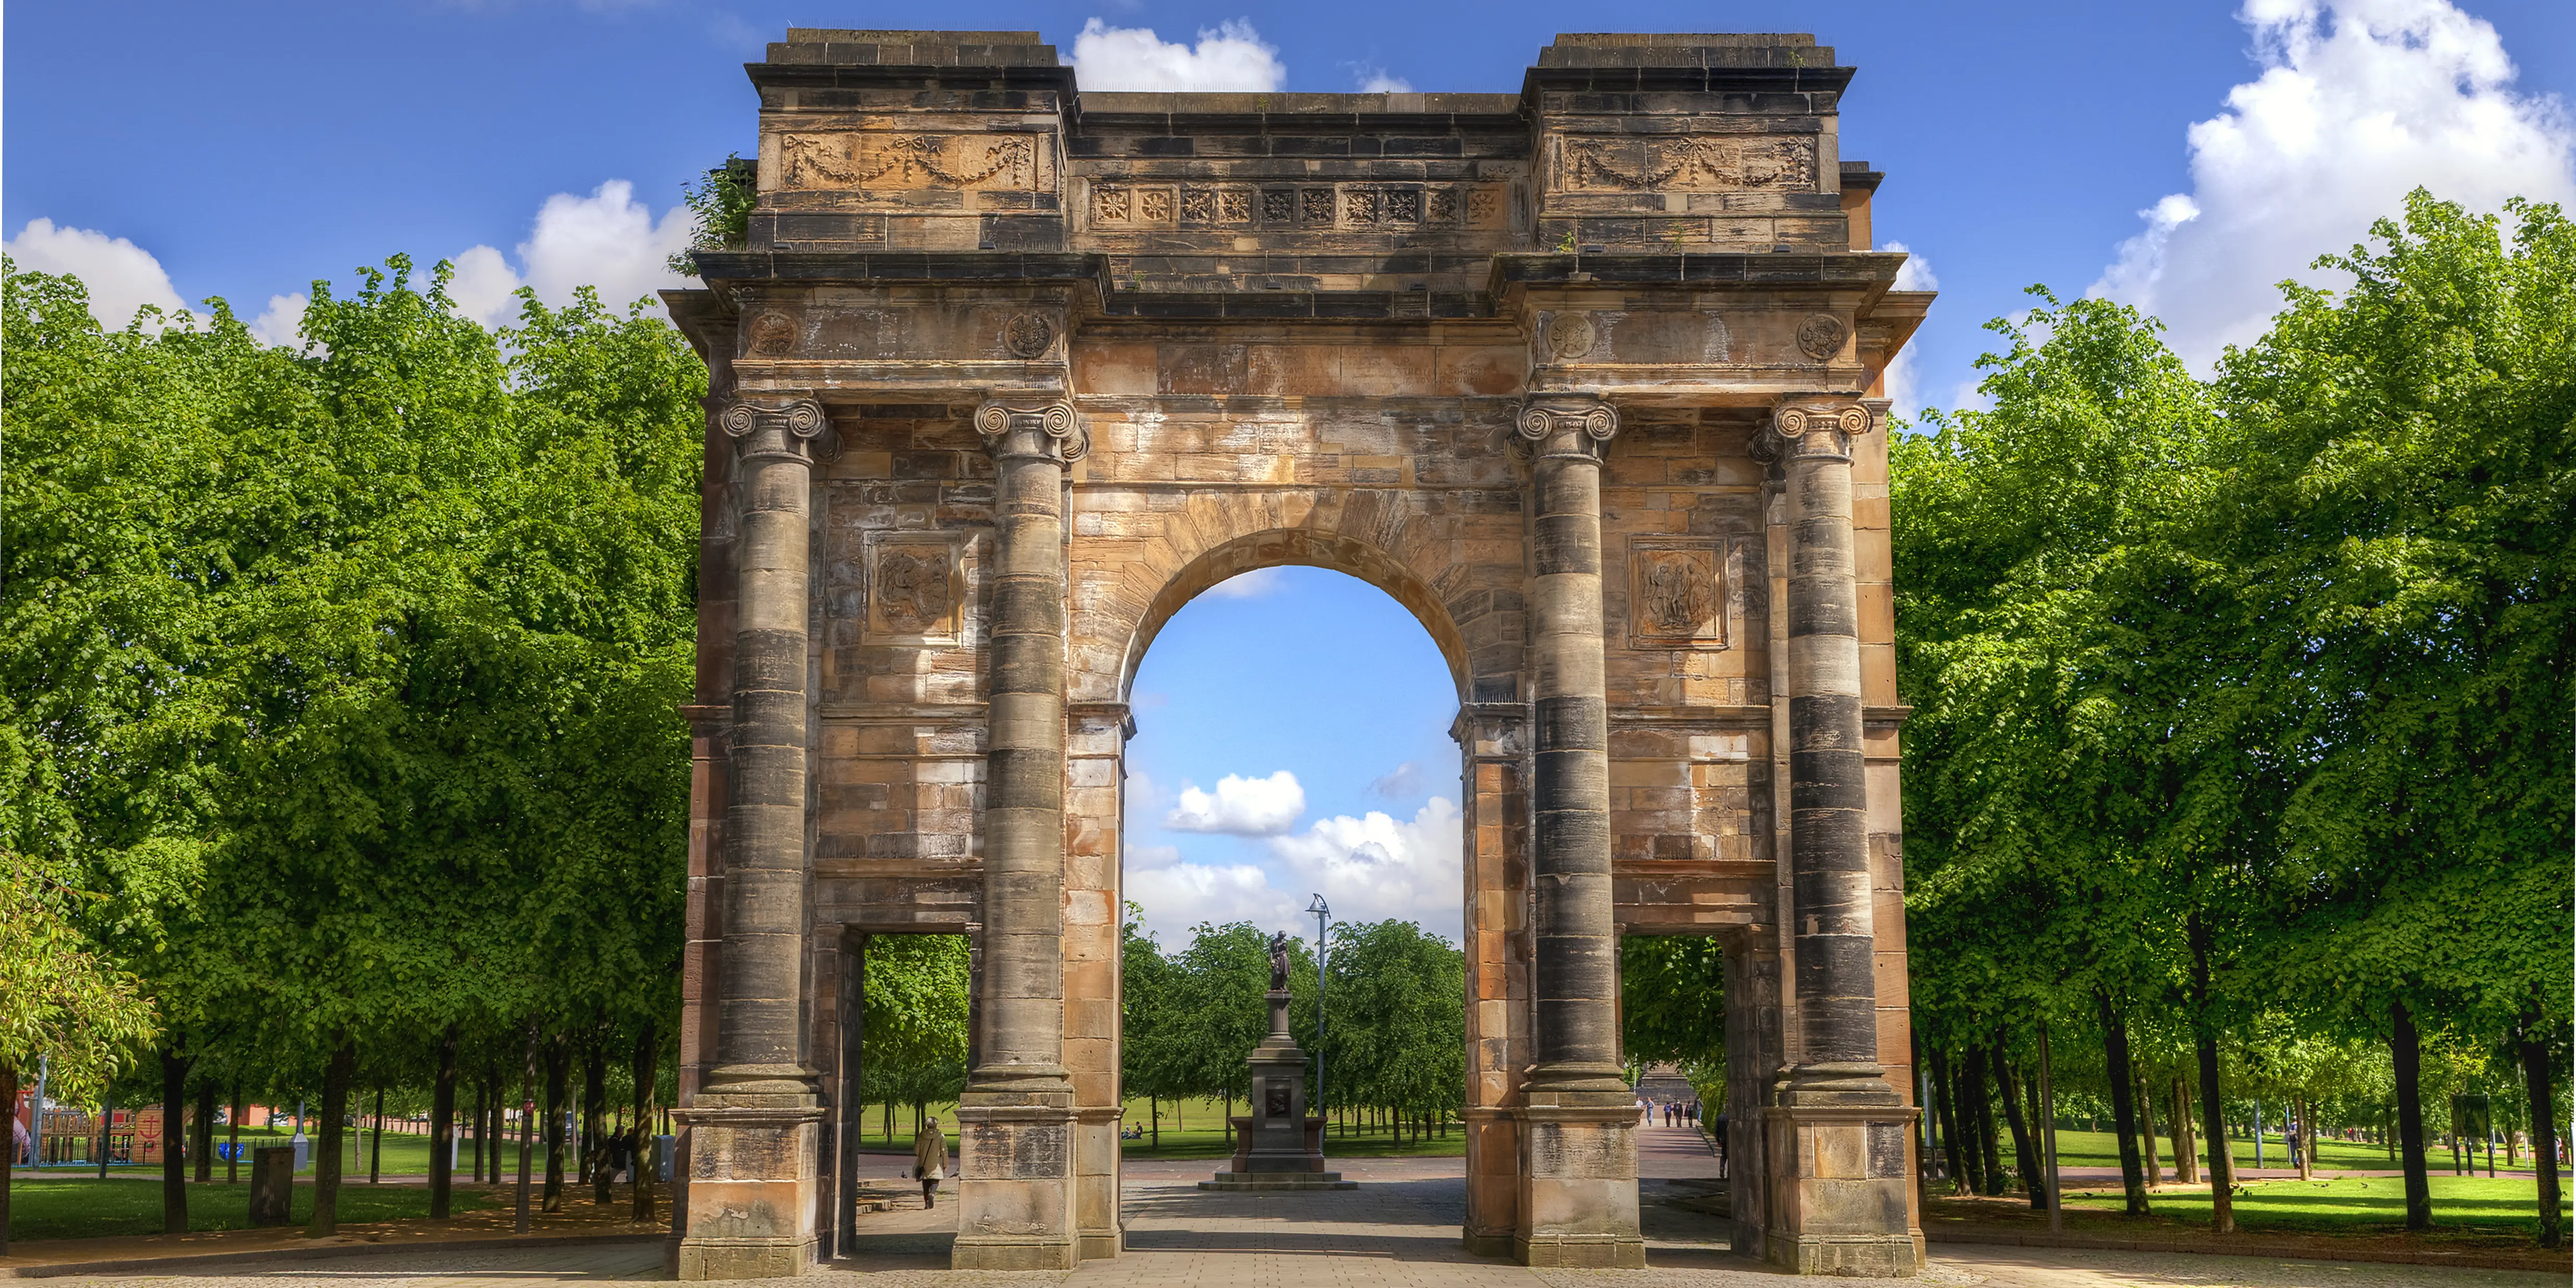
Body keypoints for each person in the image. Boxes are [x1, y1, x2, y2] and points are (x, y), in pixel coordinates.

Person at [913, 1119, 947, 1209]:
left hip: (924, 1162)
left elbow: (916, 1151)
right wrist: (945, 1164)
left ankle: (927, 1203)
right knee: (935, 1179)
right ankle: (932, 1193)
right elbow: (944, 1151)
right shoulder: (940, 1136)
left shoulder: (922, 1136)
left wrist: (922, 1154)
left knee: (925, 1182)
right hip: (936, 1162)